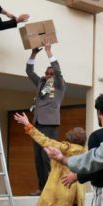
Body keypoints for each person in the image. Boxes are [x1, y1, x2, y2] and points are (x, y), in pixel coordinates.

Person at [26, 40, 66, 195]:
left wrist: (49, 52)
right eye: (47, 73)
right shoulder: (41, 84)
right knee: (38, 158)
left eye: (51, 74)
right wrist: (34, 53)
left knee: (47, 157)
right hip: (37, 124)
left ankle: (52, 188)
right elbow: (29, 71)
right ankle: (41, 187)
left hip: (50, 125)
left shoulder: (59, 85)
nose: (49, 75)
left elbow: (58, 70)